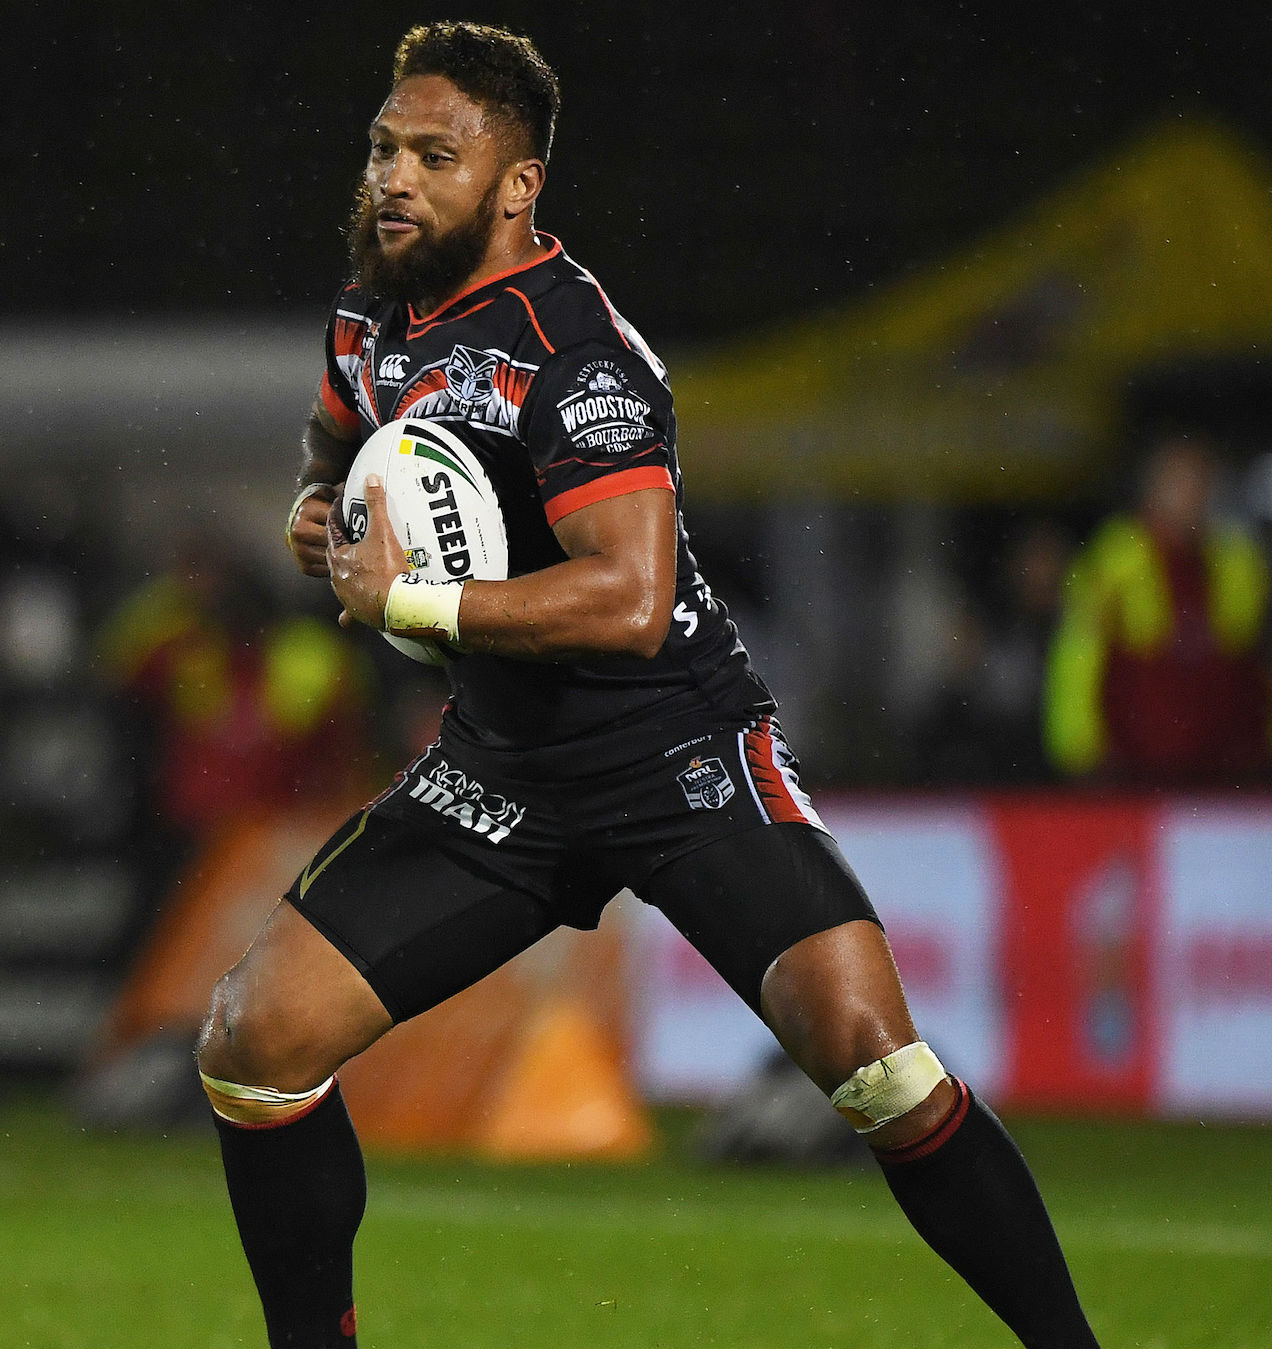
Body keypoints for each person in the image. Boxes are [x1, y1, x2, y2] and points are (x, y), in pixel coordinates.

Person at [197, 24, 1098, 1349]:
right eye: (384, 147)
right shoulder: (370, 318)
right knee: (253, 1038)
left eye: (435, 157)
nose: (393, 177)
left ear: (518, 186)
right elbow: (337, 454)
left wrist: (407, 600)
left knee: (876, 1063)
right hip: (502, 772)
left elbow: (626, 601)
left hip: (672, 750)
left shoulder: (576, 350)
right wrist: (318, 514)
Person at [1046, 435, 1269, 783]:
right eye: (1182, 483)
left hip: (1227, 764)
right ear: (1153, 490)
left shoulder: (1237, 560)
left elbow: (1253, 656)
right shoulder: (1115, 559)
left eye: (1202, 484)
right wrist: (1079, 744)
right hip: (1139, 765)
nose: (1194, 496)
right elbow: (1080, 653)